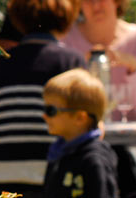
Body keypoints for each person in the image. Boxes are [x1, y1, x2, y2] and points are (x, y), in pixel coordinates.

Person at [0, 0, 85, 197]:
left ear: (18, 16)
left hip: (1, 188)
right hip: (53, 183)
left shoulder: (0, 66)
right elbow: (84, 130)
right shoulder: (72, 63)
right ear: (67, 14)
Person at [42, 69, 120, 198]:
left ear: (80, 118)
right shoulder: (58, 152)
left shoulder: (94, 159)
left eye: (51, 110)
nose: (44, 115)